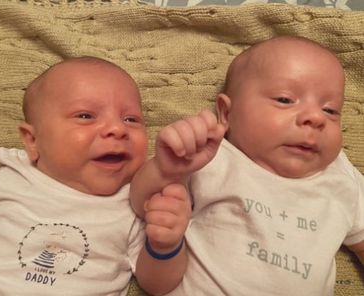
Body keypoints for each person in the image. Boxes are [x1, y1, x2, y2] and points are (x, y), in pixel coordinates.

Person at [130, 36, 364, 295]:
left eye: (331, 110)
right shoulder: (214, 156)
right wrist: (166, 169)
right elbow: (141, 202)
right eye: (285, 100)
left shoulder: (341, 178)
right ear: (227, 114)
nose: (316, 117)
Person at [0, 57, 191, 295]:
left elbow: (157, 285)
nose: (117, 129)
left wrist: (164, 245)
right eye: (86, 116)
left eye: (131, 119)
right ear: (33, 141)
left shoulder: (134, 203)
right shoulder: (10, 178)